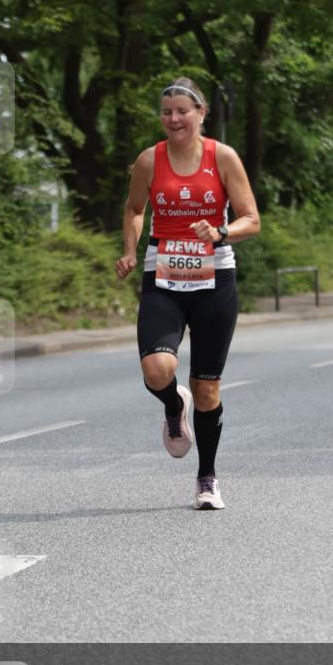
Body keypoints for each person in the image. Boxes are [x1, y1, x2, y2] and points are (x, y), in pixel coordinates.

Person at [115, 77, 260, 510]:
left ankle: (207, 478)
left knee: (207, 391)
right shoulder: (148, 161)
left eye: (182, 111)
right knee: (158, 369)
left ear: (200, 114)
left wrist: (220, 231)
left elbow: (251, 219)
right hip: (162, 277)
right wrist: (128, 249)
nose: (174, 119)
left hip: (215, 280)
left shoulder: (223, 158)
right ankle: (171, 404)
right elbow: (135, 209)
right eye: (166, 112)